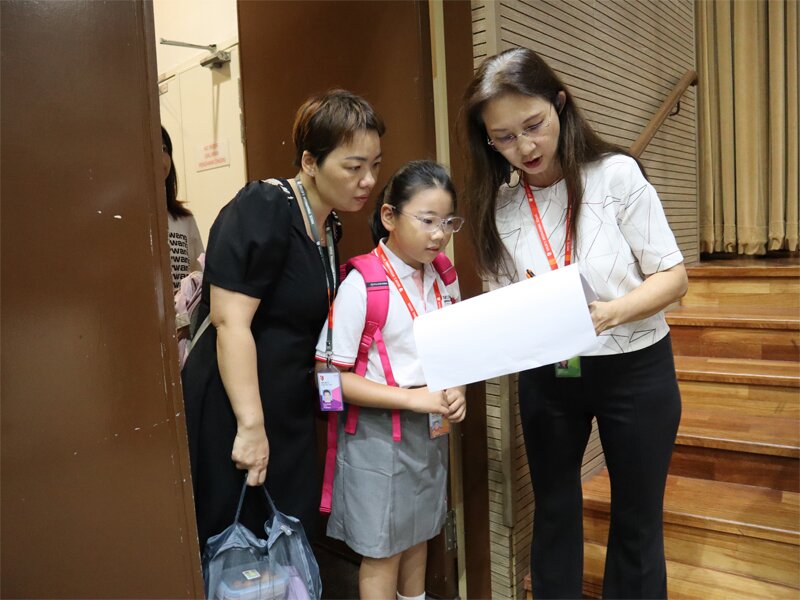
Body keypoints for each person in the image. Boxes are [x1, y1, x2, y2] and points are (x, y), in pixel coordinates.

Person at [461, 48, 688, 599]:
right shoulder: (500, 206)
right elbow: (503, 300)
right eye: (505, 137)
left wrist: (608, 313)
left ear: (560, 103)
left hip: (634, 367)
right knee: (555, 509)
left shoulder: (614, 175)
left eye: (534, 125)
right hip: (551, 372)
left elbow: (674, 277)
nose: (525, 147)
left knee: (636, 518)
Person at [181, 90, 385, 550]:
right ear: (311, 161)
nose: (368, 179)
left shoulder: (329, 226)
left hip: (285, 403)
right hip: (237, 405)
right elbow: (230, 322)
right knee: (240, 547)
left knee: (287, 540)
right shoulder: (265, 207)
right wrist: (251, 426)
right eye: (354, 167)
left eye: (374, 165)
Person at [314, 160, 467, 600]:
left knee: (418, 533)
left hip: (430, 431)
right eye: (427, 220)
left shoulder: (444, 278)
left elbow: (454, 352)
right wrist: (412, 399)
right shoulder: (363, 284)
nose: (438, 235)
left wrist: (456, 391)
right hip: (375, 438)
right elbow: (328, 380)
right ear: (389, 217)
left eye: (447, 222)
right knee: (382, 549)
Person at [162, 126, 204, 291]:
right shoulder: (130, 218)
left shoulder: (184, 218)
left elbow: (199, 273)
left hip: (182, 316)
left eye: (164, 148)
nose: (161, 156)